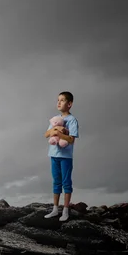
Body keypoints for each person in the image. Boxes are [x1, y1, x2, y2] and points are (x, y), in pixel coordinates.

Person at [43, 91, 79, 221]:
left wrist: (59, 134)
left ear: (69, 104)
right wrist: (53, 131)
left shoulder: (72, 120)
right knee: (56, 182)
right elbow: (46, 134)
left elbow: (71, 139)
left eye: (62, 100)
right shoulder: (55, 120)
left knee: (66, 183)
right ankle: (55, 209)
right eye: (58, 100)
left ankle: (65, 210)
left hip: (66, 157)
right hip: (53, 155)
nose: (59, 102)